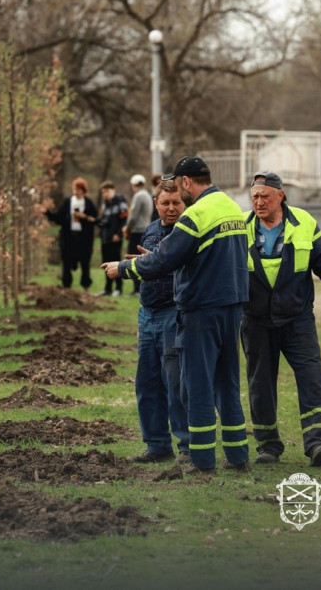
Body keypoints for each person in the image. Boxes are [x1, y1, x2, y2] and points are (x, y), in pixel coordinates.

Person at [103, 155, 250, 473]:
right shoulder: (231, 207)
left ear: (186, 182)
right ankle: (238, 457)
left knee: (196, 384)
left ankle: (200, 460)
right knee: (227, 384)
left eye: (179, 188)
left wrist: (123, 268)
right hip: (233, 307)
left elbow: (164, 260)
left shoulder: (196, 215)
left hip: (201, 310)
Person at [242, 171, 321, 468]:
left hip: (297, 318)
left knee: (311, 379)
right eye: (254, 196)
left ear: (281, 196)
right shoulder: (240, 229)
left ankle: (318, 443)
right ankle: (268, 445)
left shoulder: (304, 222)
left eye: (265, 196)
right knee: (260, 383)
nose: (259, 201)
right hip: (255, 321)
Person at [127, 179, 190, 464]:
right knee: (147, 381)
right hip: (147, 314)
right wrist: (138, 266)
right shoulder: (150, 230)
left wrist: (152, 262)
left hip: (171, 313)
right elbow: (146, 267)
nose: (171, 208)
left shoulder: (187, 232)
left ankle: (187, 446)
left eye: (176, 202)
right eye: (165, 203)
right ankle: (156, 445)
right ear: (156, 204)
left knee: (175, 382)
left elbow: (182, 269)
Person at [44, 177, 98, 290]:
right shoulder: (68, 202)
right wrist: (48, 213)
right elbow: (59, 217)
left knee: (85, 263)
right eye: (74, 189)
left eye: (78, 189)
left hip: (84, 238)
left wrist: (84, 217)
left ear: (83, 190)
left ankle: (86, 285)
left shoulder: (88, 203)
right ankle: (66, 286)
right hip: (68, 236)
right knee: (66, 262)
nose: (75, 191)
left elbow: (95, 219)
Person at [95, 180, 128, 296]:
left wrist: (118, 234)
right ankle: (108, 288)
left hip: (115, 238)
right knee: (105, 263)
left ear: (113, 190)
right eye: (103, 192)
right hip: (105, 237)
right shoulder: (105, 203)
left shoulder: (120, 200)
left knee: (116, 263)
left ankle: (118, 288)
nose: (104, 194)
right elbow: (104, 220)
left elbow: (125, 218)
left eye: (106, 191)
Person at [123, 174, 153, 295]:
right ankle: (141, 288)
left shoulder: (138, 196)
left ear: (134, 185)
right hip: (145, 229)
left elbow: (133, 216)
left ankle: (137, 288)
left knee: (133, 258)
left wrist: (127, 228)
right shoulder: (147, 195)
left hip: (137, 231)